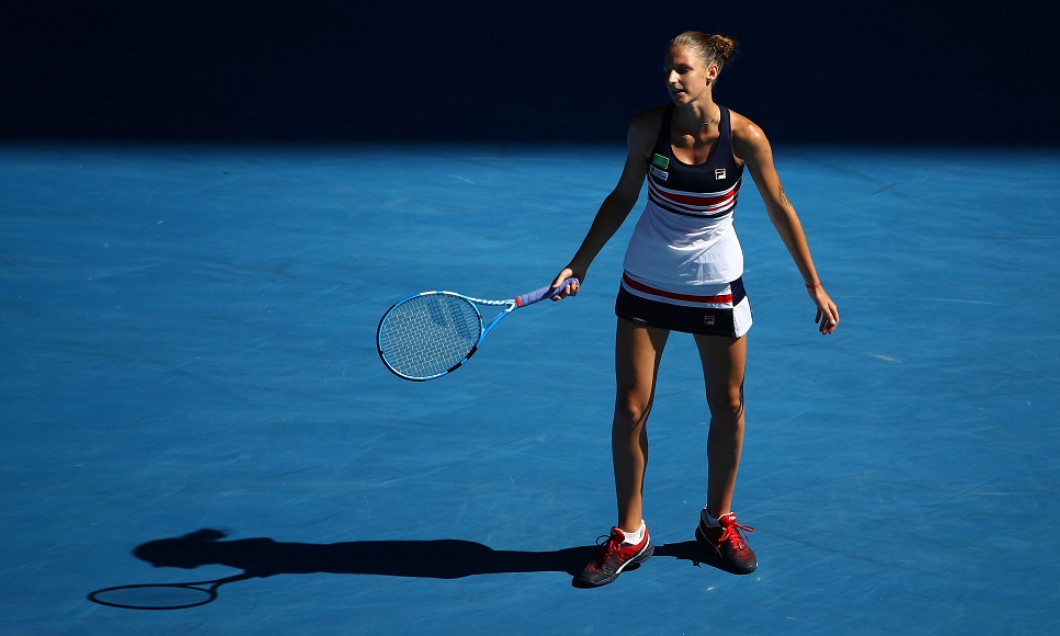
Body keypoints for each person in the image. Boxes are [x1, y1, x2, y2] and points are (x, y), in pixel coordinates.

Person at [548, 30, 839, 588]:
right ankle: (630, 534)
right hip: (646, 283)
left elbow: (780, 207)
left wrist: (814, 285)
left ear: (711, 74)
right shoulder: (646, 127)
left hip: (714, 286)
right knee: (631, 408)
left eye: (682, 70)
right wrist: (579, 263)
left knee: (727, 404)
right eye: (667, 70)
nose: (672, 79)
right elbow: (623, 196)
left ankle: (716, 522)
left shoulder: (746, 136)